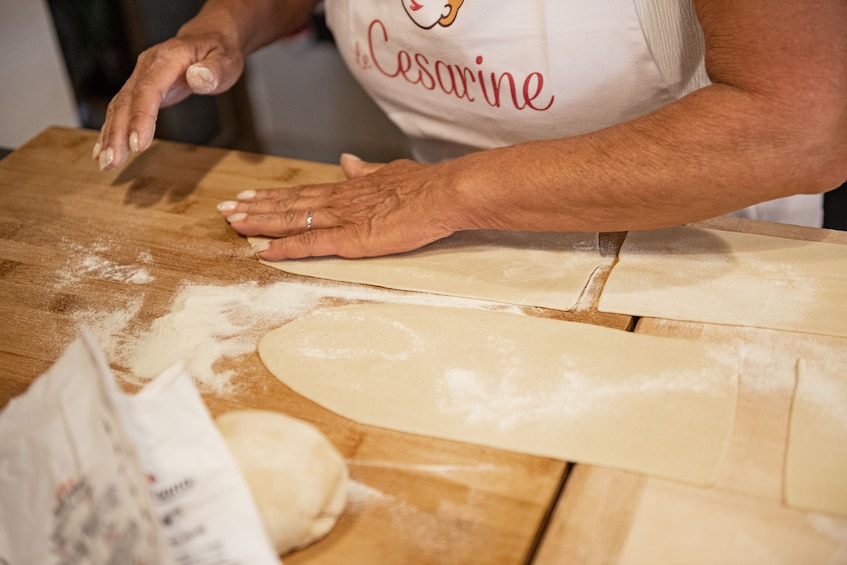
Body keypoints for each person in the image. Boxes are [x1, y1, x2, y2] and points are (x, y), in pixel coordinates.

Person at [93, 0, 847, 260]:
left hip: (698, 255)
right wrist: (223, 26)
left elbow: (798, 125)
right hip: (436, 235)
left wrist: (446, 194)